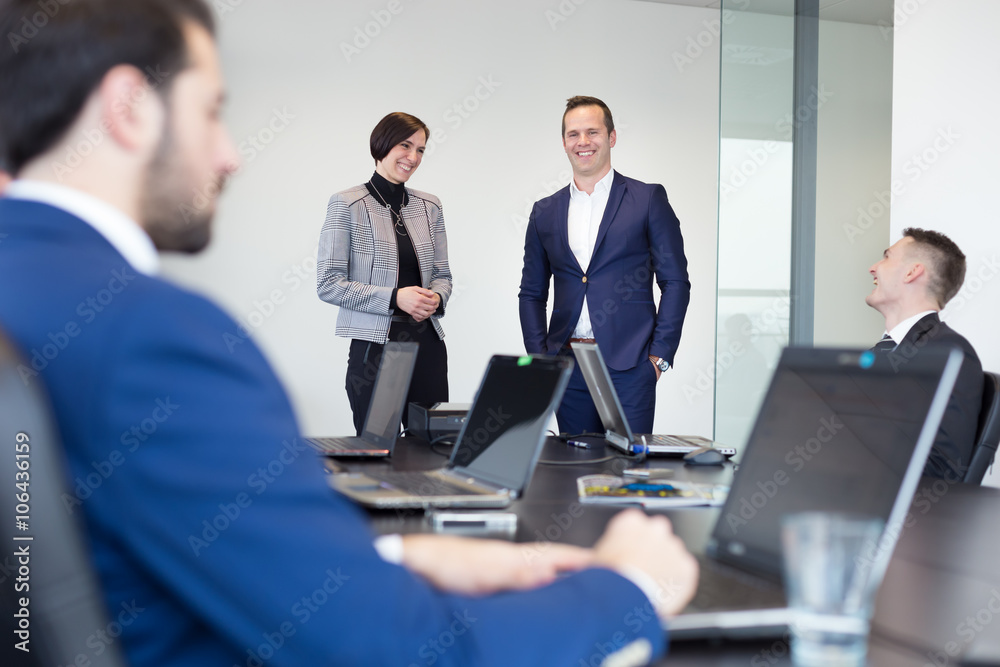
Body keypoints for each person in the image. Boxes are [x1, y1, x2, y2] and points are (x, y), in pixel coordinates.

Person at [0, 2, 698, 665]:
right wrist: (630, 589)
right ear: (127, 108)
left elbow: (181, 554)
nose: (230, 154)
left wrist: (390, 557)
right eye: (212, 111)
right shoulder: (156, 338)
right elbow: (400, 646)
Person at [519, 96, 691, 435]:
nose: (583, 142)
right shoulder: (544, 211)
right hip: (567, 366)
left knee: (626, 476)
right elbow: (531, 293)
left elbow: (675, 282)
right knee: (574, 474)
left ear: (611, 137)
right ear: (564, 143)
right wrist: (542, 360)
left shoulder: (648, 199)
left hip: (631, 365)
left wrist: (659, 359)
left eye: (593, 132)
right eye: (573, 134)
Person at [317, 113, 451, 435]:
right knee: (377, 451)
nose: (413, 157)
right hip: (376, 347)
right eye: (405, 145)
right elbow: (328, 283)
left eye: (420, 149)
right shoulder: (346, 204)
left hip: (427, 344)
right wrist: (394, 298)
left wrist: (436, 296)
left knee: (433, 446)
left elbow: (443, 275)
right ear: (382, 145)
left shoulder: (429, 206)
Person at [866, 228, 983, 479]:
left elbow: (943, 470)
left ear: (912, 272)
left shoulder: (949, 353)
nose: (872, 268)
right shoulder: (877, 354)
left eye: (886, 257)